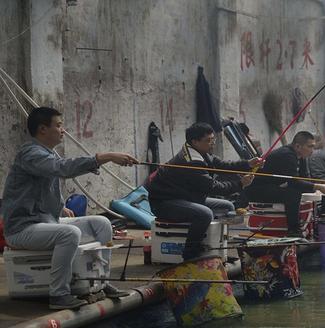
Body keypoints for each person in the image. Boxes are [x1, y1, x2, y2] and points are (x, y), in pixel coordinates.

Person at [2, 107, 136, 310]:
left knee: (102, 223)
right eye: (58, 125)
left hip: (46, 221)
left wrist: (61, 207)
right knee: (69, 233)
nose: (63, 130)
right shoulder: (30, 154)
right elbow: (61, 168)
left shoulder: (47, 153)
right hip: (22, 228)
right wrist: (104, 157)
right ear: (42, 129)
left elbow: (46, 184)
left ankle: (100, 281)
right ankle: (59, 295)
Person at [145, 122, 262, 261]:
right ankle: (190, 254)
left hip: (186, 197)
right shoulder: (191, 161)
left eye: (213, 139)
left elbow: (222, 165)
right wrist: (240, 184)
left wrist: (248, 164)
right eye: (208, 140)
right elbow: (213, 187)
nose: (212, 143)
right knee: (204, 214)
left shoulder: (199, 151)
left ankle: (214, 247)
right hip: (165, 202)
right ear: (195, 141)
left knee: (228, 207)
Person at [244, 131, 325, 238]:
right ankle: (294, 230)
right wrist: (318, 186)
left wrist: (316, 189)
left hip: (271, 186)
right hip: (256, 189)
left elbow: (304, 178)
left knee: (308, 192)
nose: (312, 150)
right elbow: (294, 182)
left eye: (313, 147)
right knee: (293, 193)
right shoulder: (287, 155)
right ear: (298, 146)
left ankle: (315, 225)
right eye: (310, 147)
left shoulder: (301, 156)